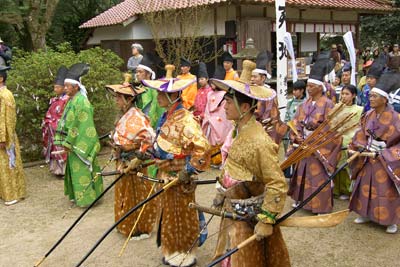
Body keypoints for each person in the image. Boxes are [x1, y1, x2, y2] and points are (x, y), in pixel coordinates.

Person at [210, 60, 290, 267]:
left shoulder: (260, 141)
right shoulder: (236, 131)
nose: (224, 106)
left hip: (250, 214)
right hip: (233, 207)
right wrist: (222, 190)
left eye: (228, 102)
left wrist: (266, 219)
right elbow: (230, 167)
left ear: (245, 107)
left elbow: (277, 182)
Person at [142, 65, 210, 267]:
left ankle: (185, 254)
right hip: (166, 174)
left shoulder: (186, 120)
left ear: (174, 96)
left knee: (182, 214)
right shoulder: (167, 116)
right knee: (169, 214)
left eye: (162, 94)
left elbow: (202, 149)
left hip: (181, 178)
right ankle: (171, 249)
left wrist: (187, 170)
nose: (158, 97)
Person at [288, 55, 342, 214]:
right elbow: (296, 122)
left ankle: (320, 205)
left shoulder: (328, 104)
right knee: (302, 173)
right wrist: (297, 136)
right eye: (308, 86)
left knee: (318, 176)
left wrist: (315, 140)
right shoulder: (304, 104)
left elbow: (332, 128)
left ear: (320, 88)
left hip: (319, 146)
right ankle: (301, 200)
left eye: (312, 86)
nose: (309, 88)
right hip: (304, 143)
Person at [105, 82, 158, 239]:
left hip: (134, 162)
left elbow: (149, 138)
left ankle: (140, 227)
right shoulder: (124, 116)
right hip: (122, 159)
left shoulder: (137, 117)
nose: (116, 101)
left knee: (137, 195)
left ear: (128, 100)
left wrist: (138, 156)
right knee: (124, 193)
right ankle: (125, 223)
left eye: (119, 98)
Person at [348, 73, 400, 234]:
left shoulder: (396, 118)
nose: (370, 98)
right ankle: (365, 213)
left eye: (374, 96)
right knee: (365, 186)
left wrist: (385, 153)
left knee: (385, 190)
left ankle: (390, 220)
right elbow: (361, 133)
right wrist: (360, 147)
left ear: (384, 99)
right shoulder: (368, 115)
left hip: (385, 159)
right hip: (367, 157)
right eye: (370, 95)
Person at [54, 63, 103, 207]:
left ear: (76, 87)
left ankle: (88, 199)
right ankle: (80, 196)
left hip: (80, 143)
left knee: (82, 171)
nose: (66, 88)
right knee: (76, 171)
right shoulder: (73, 100)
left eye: (68, 86)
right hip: (73, 142)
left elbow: (81, 126)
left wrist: (69, 142)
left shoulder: (82, 102)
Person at [0, 66, 26, 205]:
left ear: (1, 78)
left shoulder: (6, 95)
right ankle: (6, 193)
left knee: (9, 165)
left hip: (5, 136)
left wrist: (3, 138)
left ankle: (14, 194)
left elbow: (8, 119)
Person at [333, 85, 363, 200]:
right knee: (335, 163)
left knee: (347, 166)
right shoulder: (336, 108)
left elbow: (360, 127)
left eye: (347, 94)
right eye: (343, 94)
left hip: (351, 140)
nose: (344, 96)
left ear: (354, 95)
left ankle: (347, 190)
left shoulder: (359, 110)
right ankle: (336, 189)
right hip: (337, 140)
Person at [251, 51, 287, 145]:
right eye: (251, 77)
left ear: (263, 78)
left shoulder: (269, 94)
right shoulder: (251, 91)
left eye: (255, 77)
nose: (252, 79)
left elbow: (270, 116)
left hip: (267, 129)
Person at [202, 66, 233, 167]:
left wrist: (212, 119)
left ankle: (220, 160)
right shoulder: (209, 94)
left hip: (219, 121)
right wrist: (207, 118)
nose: (212, 84)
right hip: (211, 122)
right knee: (211, 140)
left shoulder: (224, 94)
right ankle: (213, 159)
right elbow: (207, 108)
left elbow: (224, 112)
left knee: (222, 139)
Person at [42, 66, 69, 177]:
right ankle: (56, 169)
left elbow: (65, 115)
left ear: (64, 88)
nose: (55, 89)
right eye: (55, 87)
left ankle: (64, 170)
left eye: (57, 87)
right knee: (54, 147)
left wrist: (56, 122)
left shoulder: (67, 99)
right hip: (52, 128)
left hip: (61, 127)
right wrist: (48, 121)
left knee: (62, 148)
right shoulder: (54, 100)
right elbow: (50, 112)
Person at [134, 54, 165, 128]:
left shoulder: (154, 89)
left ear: (148, 74)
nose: (137, 74)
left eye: (140, 72)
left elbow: (155, 109)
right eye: (137, 72)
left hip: (151, 125)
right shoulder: (138, 88)